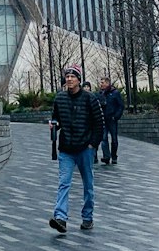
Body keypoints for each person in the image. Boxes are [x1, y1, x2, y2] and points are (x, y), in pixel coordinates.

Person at [48, 64, 104, 233]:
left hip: (84, 149)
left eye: (73, 76)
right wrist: (53, 125)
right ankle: (60, 218)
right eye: (67, 76)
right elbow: (56, 119)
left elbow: (99, 124)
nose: (70, 79)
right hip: (66, 149)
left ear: (79, 79)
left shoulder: (90, 98)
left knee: (88, 184)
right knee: (63, 183)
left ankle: (87, 217)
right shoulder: (59, 99)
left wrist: (92, 144)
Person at [97, 75, 125, 164]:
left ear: (107, 83)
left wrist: (116, 116)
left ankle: (114, 156)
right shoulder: (100, 93)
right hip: (103, 119)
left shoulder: (115, 93)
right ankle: (106, 156)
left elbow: (120, 106)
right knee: (104, 138)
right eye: (100, 82)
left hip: (112, 119)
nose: (101, 84)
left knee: (114, 139)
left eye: (102, 82)